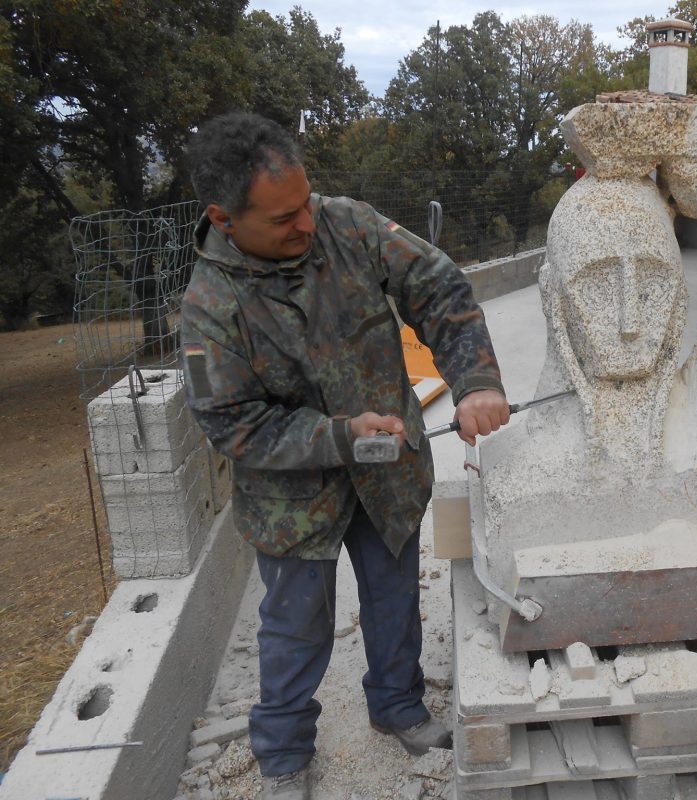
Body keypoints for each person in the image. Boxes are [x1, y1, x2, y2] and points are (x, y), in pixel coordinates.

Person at [180, 112, 510, 800]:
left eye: (305, 202)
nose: (306, 223)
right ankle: (283, 752)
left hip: (386, 474)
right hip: (292, 501)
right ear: (224, 217)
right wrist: (338, 435)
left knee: (393, 598)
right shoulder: (209, 310)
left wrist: (476, 378)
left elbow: (439, 287)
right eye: (283, 218)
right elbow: (229, 424)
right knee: (294, 627)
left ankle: (398, 707)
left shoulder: (347, 223)